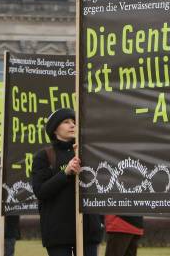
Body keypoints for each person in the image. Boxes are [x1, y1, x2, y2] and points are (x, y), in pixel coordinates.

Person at [31, 108, 103, 256]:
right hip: (59, 234)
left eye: (74, 122)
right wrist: (65, 173)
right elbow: (40, 191)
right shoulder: (44, 156)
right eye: (66, 122)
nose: (72, 125)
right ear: (55, 130)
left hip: (88, 232)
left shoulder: (87, 151)